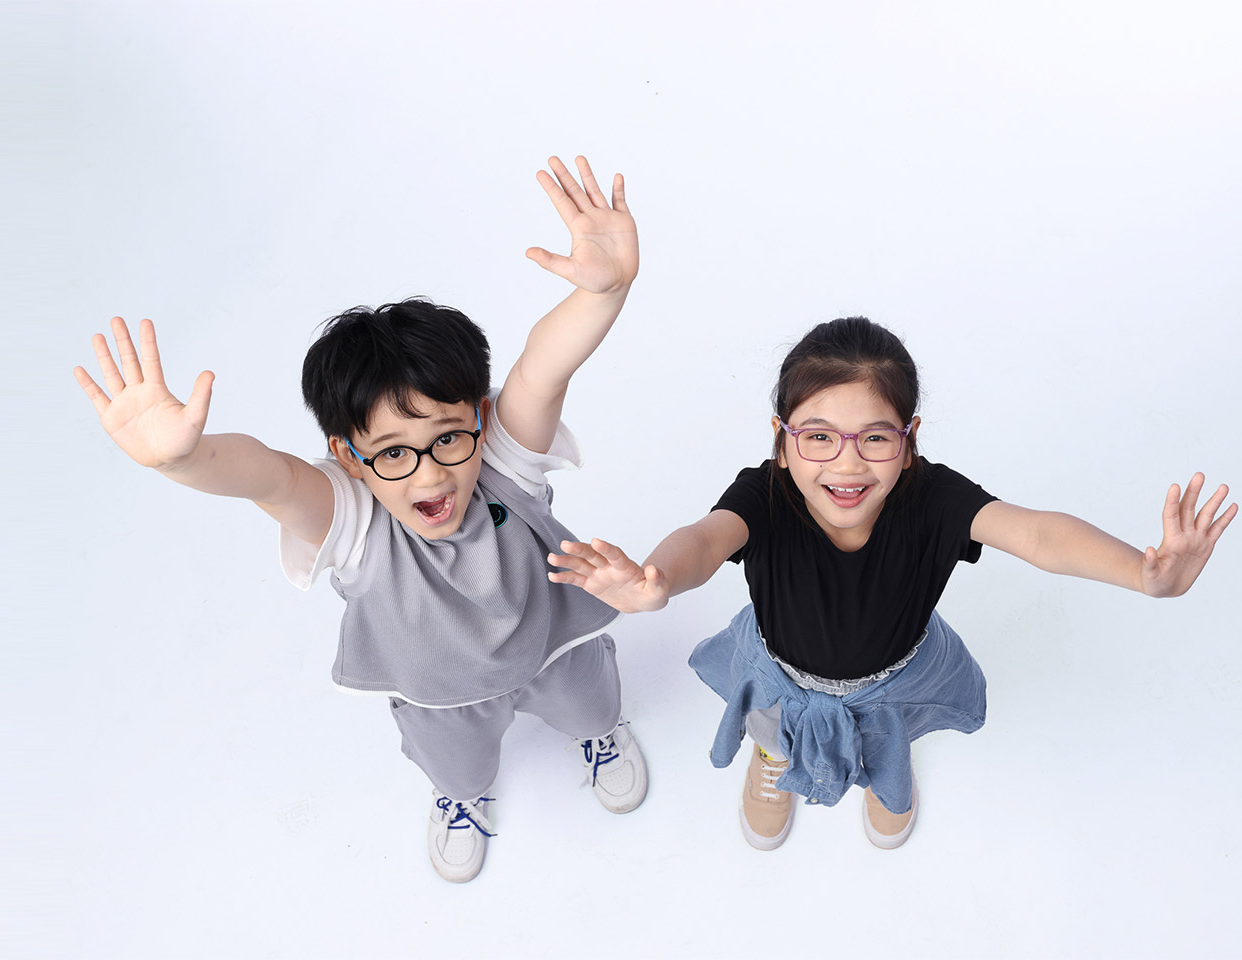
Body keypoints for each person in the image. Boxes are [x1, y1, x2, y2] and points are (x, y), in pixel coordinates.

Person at [74, 157, 647, 882]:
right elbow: (270, 475)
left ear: (478, 417)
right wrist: (183, 461)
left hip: (555, 647)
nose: (432, 473)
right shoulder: (350, 515)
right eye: (393, 453)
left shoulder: (501, 459)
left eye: (447, 438)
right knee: (459, 763)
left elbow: (543, 368)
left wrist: (605, 292)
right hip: (441, 694)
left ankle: (598, 736)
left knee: (591, 704)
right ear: (348, 456)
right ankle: (462, 796)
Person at [549, 316, 1233, 850]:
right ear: (782, 440)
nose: (847, 465)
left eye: (875, 438)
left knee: (891, 742)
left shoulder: (930, 498)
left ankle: (887, 778)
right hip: (780, 669)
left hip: (897, 678)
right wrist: (657, 580)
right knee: (773, 726)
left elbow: (1038, 534)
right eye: (818, 436)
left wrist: (1145, 575)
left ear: (909, 441)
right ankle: (775, 759)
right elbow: (704, 538)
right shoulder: (764, 494)